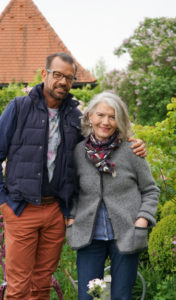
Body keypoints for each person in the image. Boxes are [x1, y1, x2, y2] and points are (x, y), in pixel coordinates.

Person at [0, 52, 146, 300]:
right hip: (21, 209)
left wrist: (133, 144)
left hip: (55, 212)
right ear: (44, 74)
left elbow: (101, 141)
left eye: (68, 78)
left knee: (41, 284)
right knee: (18, 287)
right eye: (57, 75)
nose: (62, 82)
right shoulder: (18, 108)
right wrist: (3, 203)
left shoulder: (75, 117)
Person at [66, 91, 160, 300]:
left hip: (127, 234)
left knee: (122, 296)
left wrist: (142, 220)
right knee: (87, 296)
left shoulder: (132, 151)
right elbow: (71, 190)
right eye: (100, 115)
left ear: (119, 120)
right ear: (90, 116)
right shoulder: (77, 152)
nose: (105, 122)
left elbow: (150, 190)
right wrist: (71, 218)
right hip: (88, 237)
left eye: (112, 116)